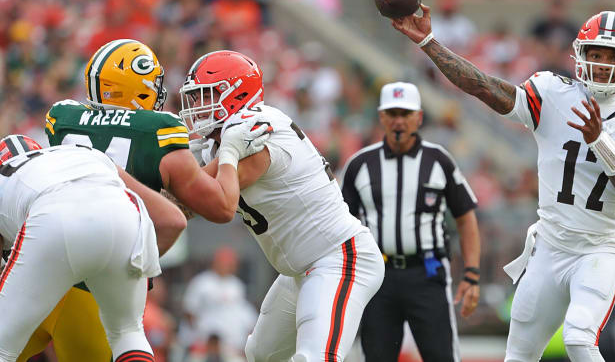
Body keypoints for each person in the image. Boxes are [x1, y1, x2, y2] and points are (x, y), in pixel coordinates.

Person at [389, 7, 615, 362]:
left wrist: (601, 142)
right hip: (550, 247)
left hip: (599, 250)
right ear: (580, 55)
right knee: (518, 353)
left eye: (613, 56)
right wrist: (429, 43)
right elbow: (483, 86)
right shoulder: (552, 92)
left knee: (579, 338)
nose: (602, 63)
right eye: (596, 54)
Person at [19, 39, 268, 362]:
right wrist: (231, 153)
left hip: (38, 265)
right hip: (95, 282)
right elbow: (221, 208)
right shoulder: (159, 130)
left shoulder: (62, 118)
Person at [178, 50, 385, 362]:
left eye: (205, 96)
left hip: (339, 257)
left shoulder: (252, 132)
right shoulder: (225, 142)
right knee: (261, 354)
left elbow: (198, 197)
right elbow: (185, 195)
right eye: (194, 98)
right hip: (299, 270)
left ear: (235, 93)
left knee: (315, 358)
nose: (197, 107)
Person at [0, 135, 185, 362]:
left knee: (3, 347)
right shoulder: (84, 154)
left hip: (54, 220)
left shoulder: (8, 177)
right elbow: (171, 220)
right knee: (128, 333)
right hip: (124, 215)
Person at [339, 81, 481, 361]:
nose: (399, 121)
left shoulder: (439, 160)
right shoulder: (360, 165)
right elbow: (342, 224)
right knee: (376, 356)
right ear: (381, 117)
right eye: (392, 114)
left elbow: (465, 217)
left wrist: (472, 274)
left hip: (427, 273)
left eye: (405, 114)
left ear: (419, 116)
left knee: (441, 356)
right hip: (377, 275)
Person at [180, 246, 258, 358]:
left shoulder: (236, 285)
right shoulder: (202, 282)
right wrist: (197, 337)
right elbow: (189, 311)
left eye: (231, 263)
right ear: (215, 262)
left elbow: (244, 314)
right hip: (204, 346)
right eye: (225, 262)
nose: (228, 266)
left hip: (231, 346)